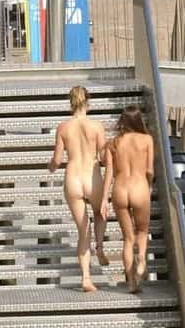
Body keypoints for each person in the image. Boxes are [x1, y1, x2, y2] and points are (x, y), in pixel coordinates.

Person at [48, 86, 107, 293]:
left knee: (83, 230)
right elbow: (103, 156)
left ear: (70, 103)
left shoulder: (63, 127)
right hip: (92, 176)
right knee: (100, 213)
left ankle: (86, 278)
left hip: (73, 177)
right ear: (88, 102)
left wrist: (51, 167)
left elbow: (56, 160)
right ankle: (99, 245)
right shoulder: (97, 126)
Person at [101, 106, 154, 294]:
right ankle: (141, 258)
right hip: (139, 187)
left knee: (127, 238)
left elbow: (108, 174)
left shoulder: (113, 143)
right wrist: (149, 186)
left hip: (120, 189)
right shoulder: (147, 140)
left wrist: (103, 200)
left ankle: (131, 282)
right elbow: (149, 170)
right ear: (139, 120)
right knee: (143, 230)